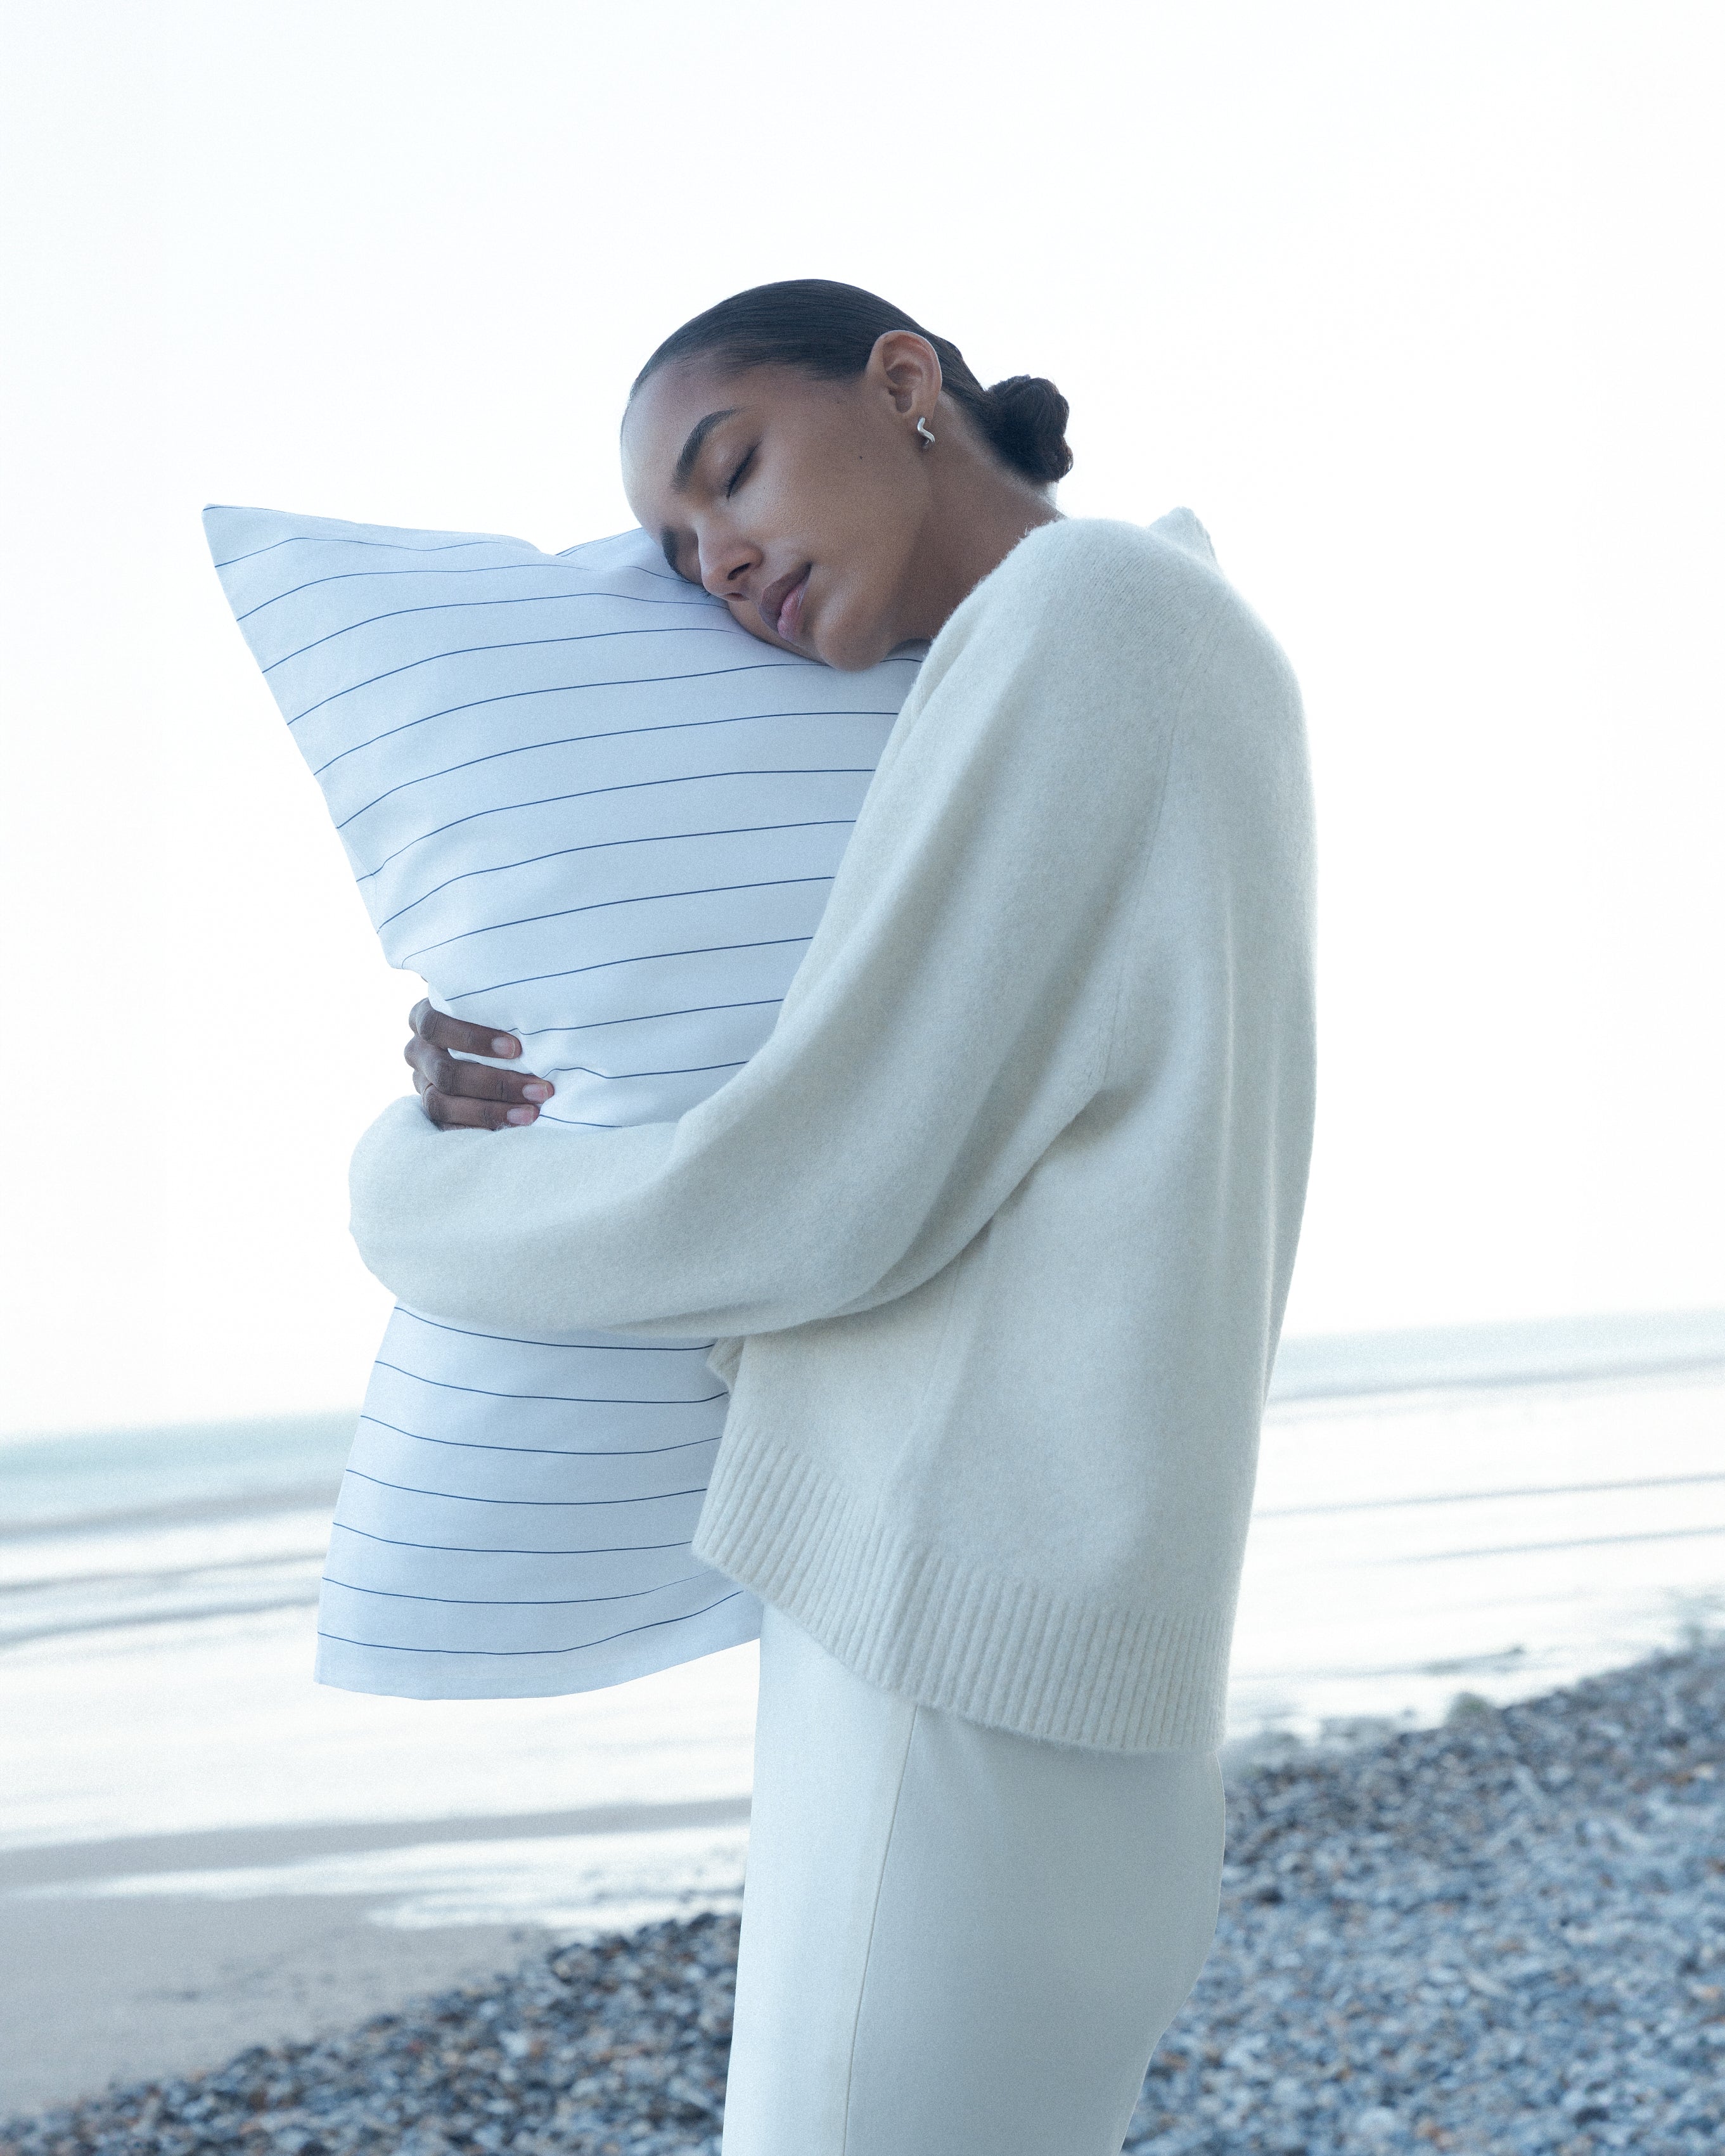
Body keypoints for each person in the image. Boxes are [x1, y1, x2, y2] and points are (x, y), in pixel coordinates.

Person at [350, 279, 1316, 2156]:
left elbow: (817, 1195)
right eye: (677, 546)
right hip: (1032, 1621)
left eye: (730, 471)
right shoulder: (1122, 639)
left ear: (899, 384)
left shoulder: (1085, 615)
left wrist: (409, 1183)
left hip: (956, 1619)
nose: (717, 558)